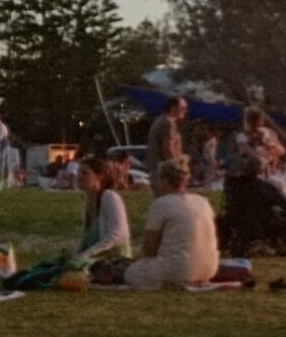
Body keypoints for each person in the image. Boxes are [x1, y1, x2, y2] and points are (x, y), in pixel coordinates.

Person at [128, 159, 220, 290]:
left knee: (132, 272)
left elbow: (150, 249)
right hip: (209, 269)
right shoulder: (203, 202)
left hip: (178, 268)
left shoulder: (161, 204)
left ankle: (170, 281)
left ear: (165, 181)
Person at [221, 153, 286, 255]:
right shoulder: (264, 187)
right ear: (259, 170)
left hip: (236, 221)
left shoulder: (232, 186)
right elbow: (285, 204)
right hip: (263, 223)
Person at [76, 154, 132, 260]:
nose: (79, 176)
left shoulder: (109, 197)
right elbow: (85, 237)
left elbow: (117, 234)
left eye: (85, 173)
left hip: (114, 260)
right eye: (78, 172)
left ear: (99, 177)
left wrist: (87, 254)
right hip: (95, 259)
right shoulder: (88, 203)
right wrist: (76, 254)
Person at [147, 97, 189, 170]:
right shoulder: (168, 123)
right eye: (182, 108)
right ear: (173, 108)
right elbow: (169, 149)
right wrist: (177, 168)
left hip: (157, 168)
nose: (185, 111)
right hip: (166, 172)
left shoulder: (161, 120)